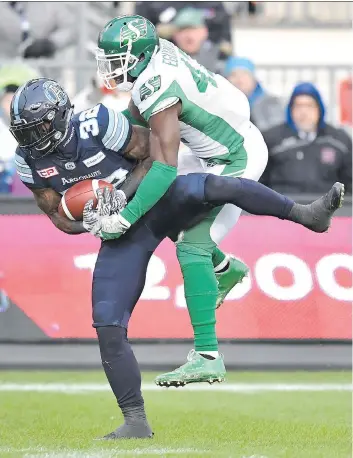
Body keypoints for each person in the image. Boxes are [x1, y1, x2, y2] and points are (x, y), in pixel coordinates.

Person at [10, 78, 344, 439]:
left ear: (61, 115)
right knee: (107, 322)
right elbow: (58, 217)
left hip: (153, 199)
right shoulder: (27, 159)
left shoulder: (99, 122)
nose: (34, 137)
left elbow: (154, 155)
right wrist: (87, 221)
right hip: (122, 233)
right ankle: (135, 420)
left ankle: (305, 214)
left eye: (40, 126)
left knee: (216, 185)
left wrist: (121, 197)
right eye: (25, 131)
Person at [95, 15, 268, 386]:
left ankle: (207, 355)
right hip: (206, 148)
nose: (110, 67)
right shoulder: (155, 62)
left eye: (116, 58)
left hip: (233, 156)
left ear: (138, 56)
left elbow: (163, 169)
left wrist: (123, 218)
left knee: (192, 244)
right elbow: (137, 117)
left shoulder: (157, 84)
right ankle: (225, 269)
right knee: (167, 210)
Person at [261, 82, 352, 194]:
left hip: (328, 208)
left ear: (319, 109)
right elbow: (260, 182)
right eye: (298, 106)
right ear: (290, 109)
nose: (303, 112)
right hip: (284, 207)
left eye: (309, 106)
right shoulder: (271, 139)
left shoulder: (339, 140)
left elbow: (349, 183)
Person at [224, 56, 284, 132]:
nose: (239, 80)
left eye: (244, 74)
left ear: (253, 78)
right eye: (234, 75)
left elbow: (278, 132)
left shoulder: (271, 103)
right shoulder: (220, 104)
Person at [170, 7, 226, 74]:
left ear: (205, 31)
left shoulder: (220, 58)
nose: (189, 35)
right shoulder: (163, 61)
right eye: (182, 30)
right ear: (174, 34)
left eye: (193, 29)